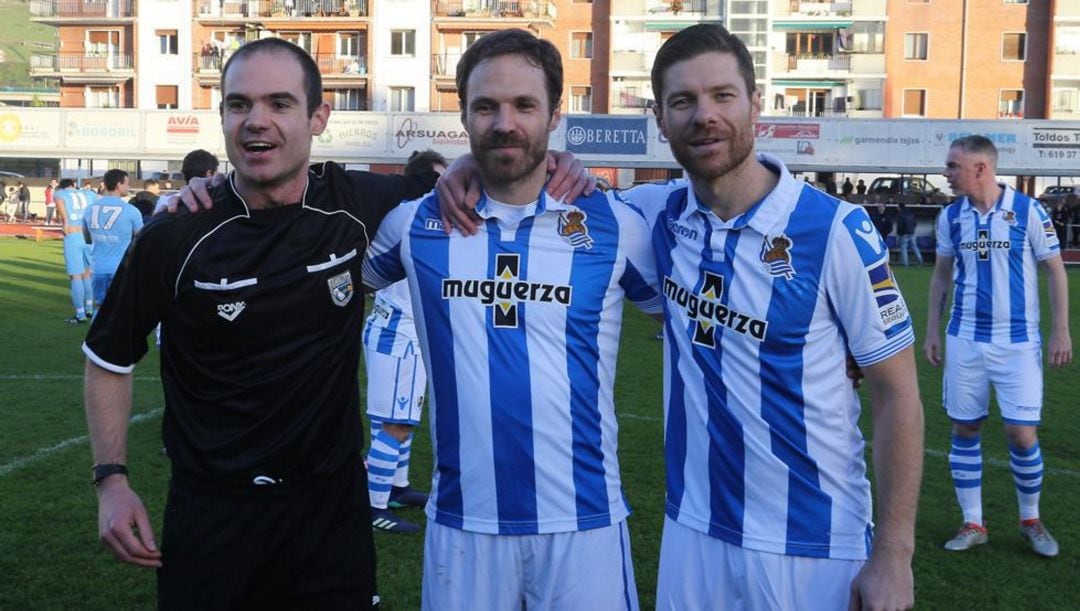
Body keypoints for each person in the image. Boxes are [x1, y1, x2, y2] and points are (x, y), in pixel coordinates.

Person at [81, 37, 445, 609]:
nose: (257, 122)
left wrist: (558, 160)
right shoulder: (175, 233)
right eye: (238, 104)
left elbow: (470, 177)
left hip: (330, 511)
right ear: (222, 114)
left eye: (279, 103)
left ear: (318, 116)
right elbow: (108, 360)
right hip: (213, 515)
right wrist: (112, 480)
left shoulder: (354, 203)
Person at [363, 29, 661, 610]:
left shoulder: (616, 225)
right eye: (486, 106)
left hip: (585, 523)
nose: (505, 123)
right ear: (464, 114)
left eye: (524, 105)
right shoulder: (414, 224)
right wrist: (203, 198)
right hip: (461, 523)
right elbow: (327, 280)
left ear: (555, 113)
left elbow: (693, 316)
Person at [924, 135, 1072, 558]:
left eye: (953, 166)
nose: (946, 173)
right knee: (964, 427)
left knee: (1021, 434)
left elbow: (1056, 272)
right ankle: (973, 523)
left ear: (981, 168)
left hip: (1018, 342)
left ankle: (1031, 520)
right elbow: (940, 275)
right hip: (965, 339)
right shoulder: (951, 217)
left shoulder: (1028, 211)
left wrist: (1060, 330)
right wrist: (933, 329)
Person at [363, 149, 449, 534]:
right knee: (396, 424)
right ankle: (373, 505)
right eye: (438, 179)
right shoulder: (414, 217)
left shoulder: (405, 214)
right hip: (400, 334)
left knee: (402, 421)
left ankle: (397, 488)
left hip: (395, 330)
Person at [82, 169, 142, 313]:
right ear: (118, 185)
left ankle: (94, 336)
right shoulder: (131, 210)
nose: (128, 187)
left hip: (97, 267)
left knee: (100, 308)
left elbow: (87, 238)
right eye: (127, 184)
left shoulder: (90, 209)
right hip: (121, 268)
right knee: (122, 310)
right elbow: (141, 240)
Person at [54, 178, 96, 323]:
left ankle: (80, 314)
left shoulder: (60, 193)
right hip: (89, 235)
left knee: (75, 276)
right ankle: (90, 309)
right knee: (88, 273)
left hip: (73, 234)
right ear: (74, 185)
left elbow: (59, 204)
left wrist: (65, 222)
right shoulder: (89, 193)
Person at [895, 201, 923, 266]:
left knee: (904, 248)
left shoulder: (900, 215)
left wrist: (899, 234)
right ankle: (920, 261)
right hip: (912, 233)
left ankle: (905, 263)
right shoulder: (911, 214)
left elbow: (899, 226)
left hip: (904, 234)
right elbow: (915, 223)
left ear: (899, 207)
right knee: (915, 247)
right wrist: (912, 229)